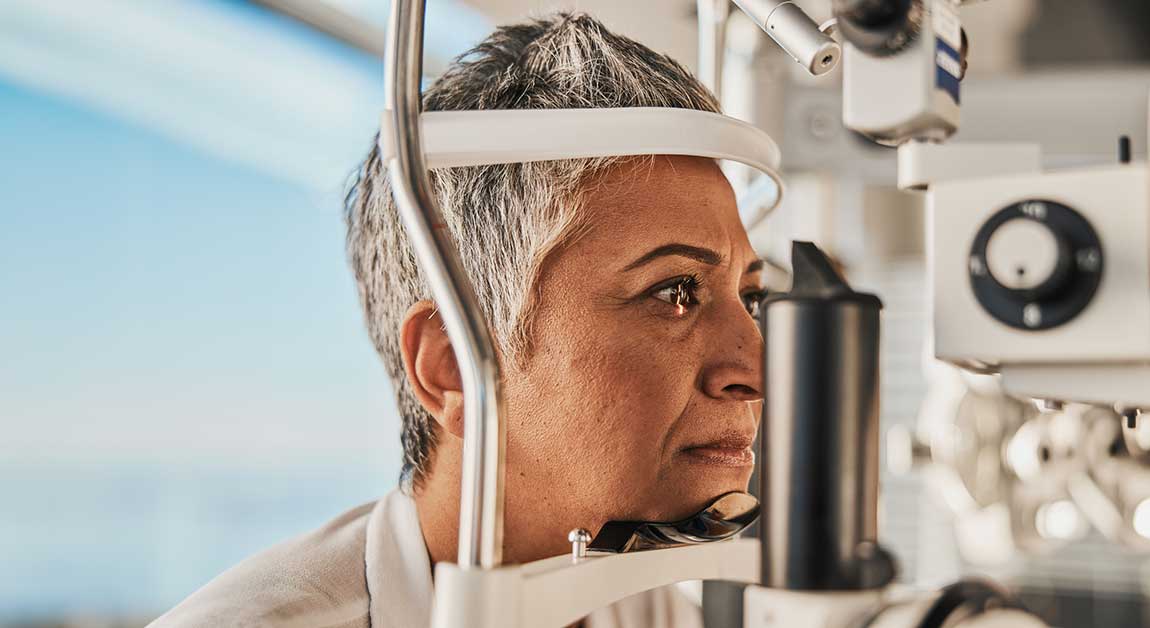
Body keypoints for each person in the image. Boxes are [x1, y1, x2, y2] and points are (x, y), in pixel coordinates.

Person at [150, 12, 765, 628]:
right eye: (676, 291)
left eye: (751, 298)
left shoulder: (655, 604)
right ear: (453, 367)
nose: (756, 369)